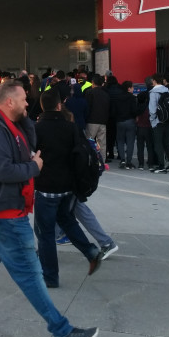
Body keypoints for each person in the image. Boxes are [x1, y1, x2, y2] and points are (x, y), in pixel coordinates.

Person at [0, 80, 99, 337]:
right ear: (9, 102)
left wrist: (26, 118)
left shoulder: (9, 124)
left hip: (0, 212)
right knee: (31, 275)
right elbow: (4, 171)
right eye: (23, 100)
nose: (28, 103)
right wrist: (34, 167)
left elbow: (29, 140)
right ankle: (63, 333)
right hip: (5, 215)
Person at [34, 89, 103, 286]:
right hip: (68, 187)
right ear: (58, 106)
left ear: (42, 106)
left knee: (45, 233)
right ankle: (91, 252)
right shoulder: (71, 128)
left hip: (46, 188)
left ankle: (50, 277)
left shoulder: (37, 129)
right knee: (67, 220)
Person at [111, 80, 137, 168]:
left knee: (120, 141)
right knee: (130, 142)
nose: (133, 88)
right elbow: (134, 110)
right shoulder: (132, 98)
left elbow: (113, 111)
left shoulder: (117, 97)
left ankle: (122, 160)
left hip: (119, 122)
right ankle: (129, 161)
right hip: (130, 121)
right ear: (129, 88)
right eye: (132, 87)